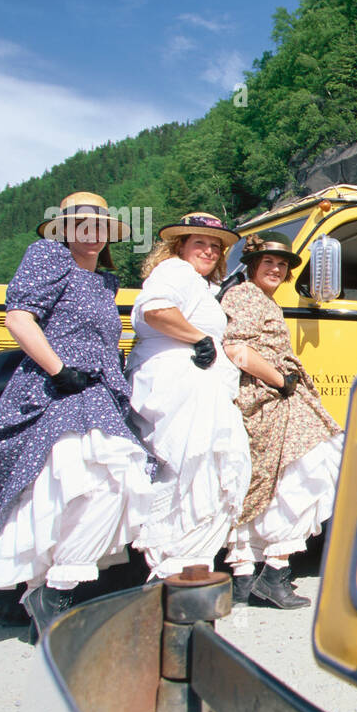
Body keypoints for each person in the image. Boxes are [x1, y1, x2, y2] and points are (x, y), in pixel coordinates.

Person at [0, 192, 154, 637]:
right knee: (68, 487)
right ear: (65, 229)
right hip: (59, 387)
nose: (90, 232)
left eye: (99, 226)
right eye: (80, 224)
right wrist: (58, 369)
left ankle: (54, 591)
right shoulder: (49, 257)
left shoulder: (105, 283)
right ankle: (48, 593)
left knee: (113, 487)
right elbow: (18, 318)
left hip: (98, 390)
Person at [220, 233, 344, 608]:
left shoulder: (259, 299)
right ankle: (274, 574)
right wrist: (280, 380)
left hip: (269, 396)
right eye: (269, 262)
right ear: (252, 265)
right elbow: (235, 347)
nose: (276, 269)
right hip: (270, 396)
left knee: (266, 481)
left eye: (282, 264)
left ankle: (244, 577)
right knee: (310, 470)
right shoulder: (244, 295)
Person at [127, 213, 251, 579]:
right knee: (191, 475)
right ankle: (176, 572)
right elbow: (156, 310)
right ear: (180, 245)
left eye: (216, 246)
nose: (210, 250)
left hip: (197, 388)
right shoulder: (175, 271)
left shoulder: (196, 282)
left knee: (201, 476)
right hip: (182, 386)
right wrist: (197, 338)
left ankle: (185, 573)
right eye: (201, 242)